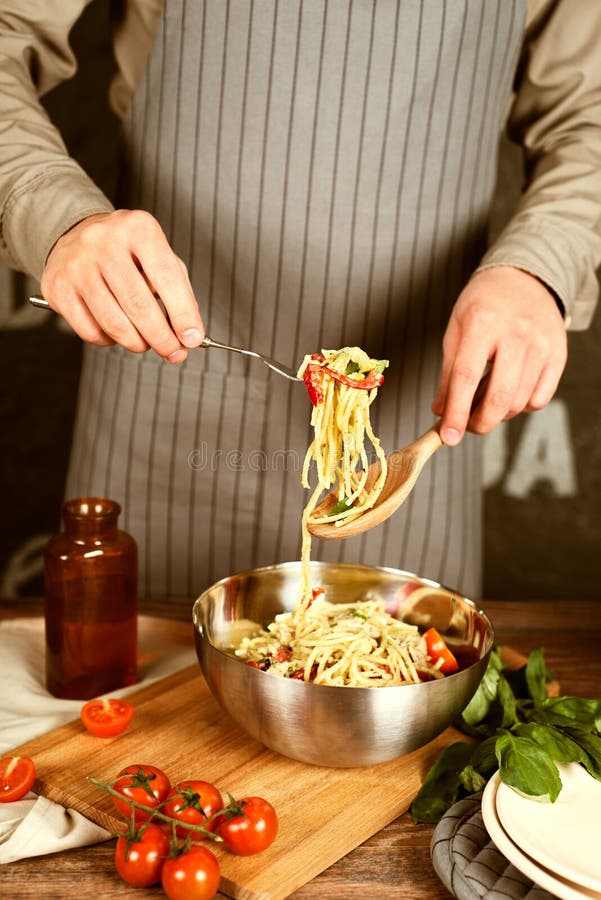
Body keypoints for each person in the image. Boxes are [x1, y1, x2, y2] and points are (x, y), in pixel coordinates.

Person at [0, 0, 599, 601]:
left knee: (401, 673)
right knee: (127, 687)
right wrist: (52, 212)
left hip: (410, 411)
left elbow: (589, 112)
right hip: (160, 373)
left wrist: (540, 263)